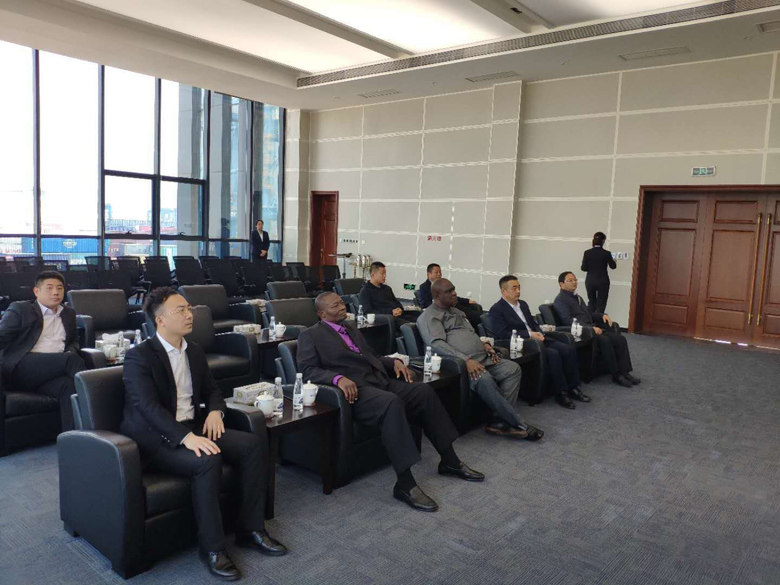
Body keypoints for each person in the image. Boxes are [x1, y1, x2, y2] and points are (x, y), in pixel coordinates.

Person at [121, 287, 286, 580]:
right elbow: (147, 408)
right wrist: (186, 438)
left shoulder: (193, 350)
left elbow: (212, 391)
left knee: (251, 445)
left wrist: (215, 412)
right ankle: (213, 548)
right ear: (160, 319)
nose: (189, 314)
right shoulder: (139, 356)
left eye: (189, 308)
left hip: (194, 425)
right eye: (181, 310)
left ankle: (251, 529)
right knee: (207, 460)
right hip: (156, 438)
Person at [297, 292, 485, 513]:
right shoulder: (310, 335)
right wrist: (337, 378)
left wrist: (392, 362)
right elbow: (307, 370)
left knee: (423, 392)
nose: (341, 307)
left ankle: (449, 460)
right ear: (321, 313)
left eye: (341, 303)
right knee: (391, 403)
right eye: (335, 305)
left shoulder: (350, 327)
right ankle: (405, 484)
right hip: (355, 392)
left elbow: (370, 356)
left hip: (378, 380)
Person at [417, 278, 544, 441]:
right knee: (484, 379)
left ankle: (499, 420)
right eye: (449, 291)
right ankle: (518, 423)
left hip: (483, 358)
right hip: (461, 364)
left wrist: (485, 345)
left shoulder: (458, 312)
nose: (455, 293)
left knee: (512, 369)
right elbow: (436, 344)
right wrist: (465, 360)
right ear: (436, 295)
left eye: (454, 289)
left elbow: (471, 335)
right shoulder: (429, 316)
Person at [0, 270, 85, 431]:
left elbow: (74, 341)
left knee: (68, 386)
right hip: (22, 367)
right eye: (49, 288)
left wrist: (70, 350)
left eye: (60, 288)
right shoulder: (21, 309)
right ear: (36, 291)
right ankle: (98, 401)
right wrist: (69, 356)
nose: (55, 292)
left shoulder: (68, 313)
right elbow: (2, 336)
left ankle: (74, 437)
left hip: (51, 370)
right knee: (71, 360)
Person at [488, 276, 588, 409]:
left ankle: (574, 387)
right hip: (522, 343)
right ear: (504, 291)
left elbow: (532, 323)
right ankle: (561, 393)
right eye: (514, 288)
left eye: (519, 287)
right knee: (553, 354)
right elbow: (503, 333)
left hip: (538, 338)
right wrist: (530, 334)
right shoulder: (497, 309)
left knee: (568, 349)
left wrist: (539, 332)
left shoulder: (523, 304)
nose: (518, 291)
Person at [554, 271, 640, 388]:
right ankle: (616, 375)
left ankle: (625, 372)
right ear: (561, 284)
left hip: (592, 328)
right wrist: (590, 328)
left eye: (575, 280)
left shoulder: (577, 297)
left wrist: (601, 316)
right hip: (582, 332)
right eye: (570, 280)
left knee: (620, 339)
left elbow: (588, 313)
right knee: (605, 341)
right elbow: (568, 321)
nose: (574, 282)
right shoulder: (560, 300)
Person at [417, 263, 482, 329]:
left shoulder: (442, 284)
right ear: (428, 274)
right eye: (436, 272)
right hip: (446, 309)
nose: (439, 274)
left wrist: (467, 301)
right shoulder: (424, 287)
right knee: (473, 316)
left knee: (475, 310)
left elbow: (452, 295)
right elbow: (425, 304)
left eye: (440, 272)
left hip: (454, 306)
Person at [358, 262, 417, 327]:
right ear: (373, 275)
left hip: (398, 316)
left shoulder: (387, 288)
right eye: (382, 273)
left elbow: (397, 303)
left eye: (385, 273)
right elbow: (367, 312)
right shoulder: (365, 291)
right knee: (410, 326)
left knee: (419, 320)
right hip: (385, 320)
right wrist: (391, 312)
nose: (384, 276)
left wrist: (400, 309)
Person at [581, 231, 616, 314]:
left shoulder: (587, 253)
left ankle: (590, 319)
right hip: (603, 281)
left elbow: (583, 268)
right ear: (603, 241)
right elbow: (613, 266)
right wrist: (614, 261)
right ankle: (599, 319)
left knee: (591, 302)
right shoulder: (607, 253)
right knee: (601, 303)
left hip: (590, 280)